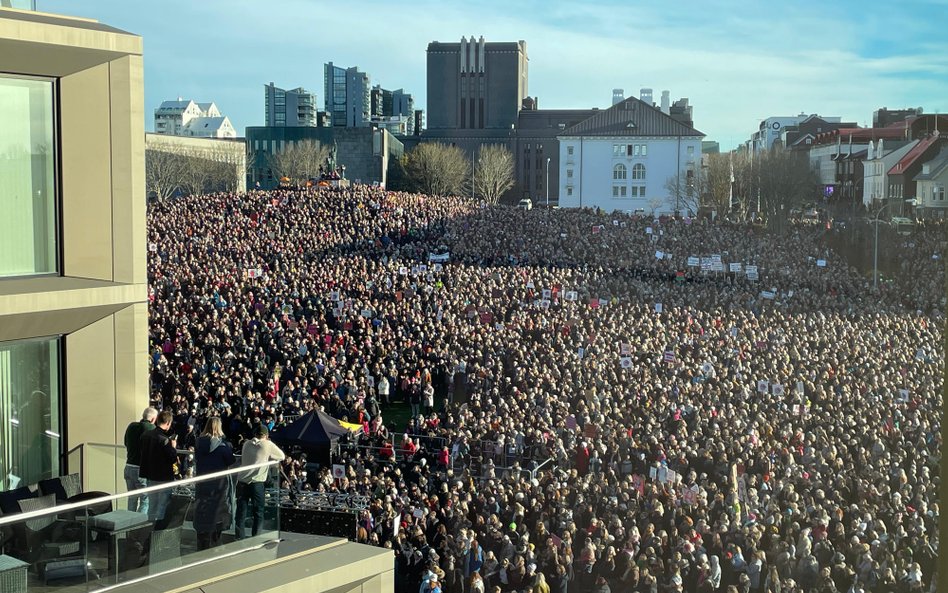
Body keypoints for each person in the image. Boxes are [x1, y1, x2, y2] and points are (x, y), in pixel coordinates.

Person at [235, 423, 285, 539]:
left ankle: (239, 538)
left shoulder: (246, 444)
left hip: (242, 481)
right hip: (257, 483)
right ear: (266, 436)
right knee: (258, 512)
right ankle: (255, 538)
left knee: (240, 513)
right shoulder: (267, 444)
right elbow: (281, 456)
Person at [194, 416, 236, 549]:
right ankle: (215, 538)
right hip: (218, 483)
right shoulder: (224, 446)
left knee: (201, 507)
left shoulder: (199, 443)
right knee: (218, 509)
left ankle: (202, 537)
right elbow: (231, 461)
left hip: (201, 481)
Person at [139, 409, 178, 525]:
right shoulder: (164, 440)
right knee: (162, 507)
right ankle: (158, 533)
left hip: (150, 475)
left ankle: (149, 530)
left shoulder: (146, 435)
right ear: (168, 423)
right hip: (163, 477)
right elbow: (172, 458)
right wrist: (173, 447)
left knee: (152, 505)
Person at [123, 406, 157, 514]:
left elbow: (125, 443)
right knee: (145, 500)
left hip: (128, 467)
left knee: (132, 499)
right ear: (152, 419)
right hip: (141, 470)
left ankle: (128, 524)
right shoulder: (151, 428)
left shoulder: (131, 426)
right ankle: (139, 527)